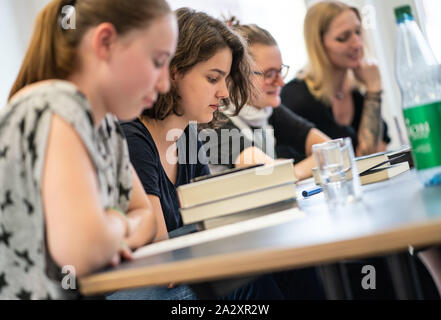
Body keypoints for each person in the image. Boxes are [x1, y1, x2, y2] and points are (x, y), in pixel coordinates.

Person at [0, 0, 177, 300]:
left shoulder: (105, 125)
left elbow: (145, 216)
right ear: (105, 42)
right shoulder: (55, 106)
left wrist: (109, 230)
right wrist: (118, 224)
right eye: (158, 61)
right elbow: (83, 250)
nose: (164, 83)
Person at [107, 7, 284, 300]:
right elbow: (160, 252)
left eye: (225, 80)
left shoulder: (188, 133)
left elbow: (202, 224)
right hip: (138, 285)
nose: (224, 93)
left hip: (172, 275)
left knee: (274, 268)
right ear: (173, 72)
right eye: (213, 78)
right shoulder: (132, 136)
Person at [204, 19, 330, 181]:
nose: (281, 82)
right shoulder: (214, 117)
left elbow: (330, 149)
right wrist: (289, 171)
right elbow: (271, 174)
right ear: (236, 75)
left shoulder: (265, 109)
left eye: (280, 71)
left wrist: (294, 172)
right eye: (269, 74)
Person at [280, 1, 390, 157]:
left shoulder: (356, 94)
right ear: (319, 45)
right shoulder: (297, 97)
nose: (357, 43)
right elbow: (364, 156)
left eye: (358, 32)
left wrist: (373, 90)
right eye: (343, 38)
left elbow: (374, 155)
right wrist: (373, 89)